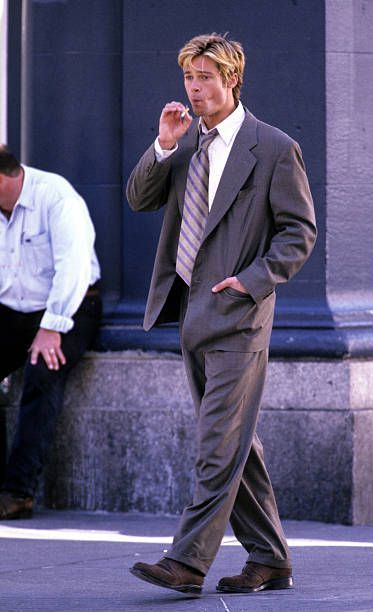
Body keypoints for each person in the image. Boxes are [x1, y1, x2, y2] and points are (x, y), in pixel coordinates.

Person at [126, 33, 316, 595]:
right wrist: (162, 144)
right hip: (191, 315)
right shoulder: (185, 144)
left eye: (206, 77)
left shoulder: (274, 147)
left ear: (232, 79)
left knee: (216, 445)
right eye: (189, 77)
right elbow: (139, 199)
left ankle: (186, 563)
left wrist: (252, 281)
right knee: (237, 445)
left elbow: (299, 233)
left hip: (239, 316)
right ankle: (271, 558)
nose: (194, 87)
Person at [0, 145, 101, 520]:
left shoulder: (55, 196)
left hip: (71, 305)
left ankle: (18, 492)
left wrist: (51, 326)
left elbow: (72, 268)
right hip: (12, 307)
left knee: (42, 371)